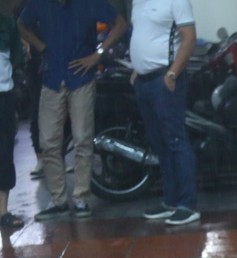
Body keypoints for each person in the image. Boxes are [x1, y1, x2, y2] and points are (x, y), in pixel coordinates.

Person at [18, 0, 127, 220]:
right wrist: (40, 46)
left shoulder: (88, 3)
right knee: (48, 142)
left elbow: (121, 24)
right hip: (52, 78)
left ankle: (81, 199)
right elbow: (20, 24)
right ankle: (58, 201)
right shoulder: (40, 4)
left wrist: (98, 54)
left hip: (82, 79)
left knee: (82, 140)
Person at [129, 0, 198, 226]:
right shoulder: (138, 3)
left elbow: (189, 38)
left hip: (164, 80)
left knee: (175, 140)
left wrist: (172, 74)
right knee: (159, 143)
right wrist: (136, 70)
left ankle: (187, 204)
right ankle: (171, 200)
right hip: (145, 81)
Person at [0, 0, 23, 228]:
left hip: (3, 96)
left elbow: (16, 59)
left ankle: (2, 212)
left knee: (4, 153)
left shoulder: (7, 24)